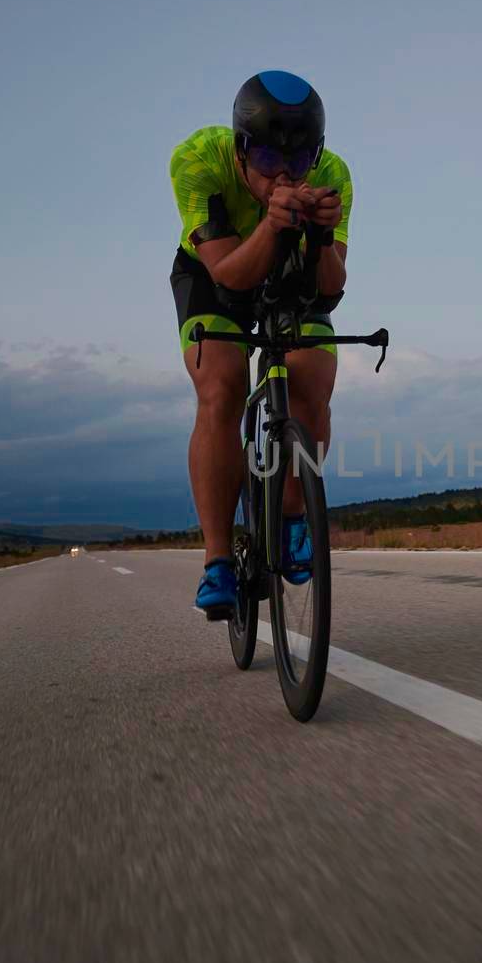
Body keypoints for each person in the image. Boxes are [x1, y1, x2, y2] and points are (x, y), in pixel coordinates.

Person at [169, 70, 352, 613]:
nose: (283, 177)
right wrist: (271, 227)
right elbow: (227, 273)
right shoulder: (198, 158)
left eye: (296, 164)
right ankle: (219, 559)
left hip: (292, 265)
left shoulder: (332, 173)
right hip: (214, 270)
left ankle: (295, 514)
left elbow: (332, 286)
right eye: (269, 162)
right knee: (221, 388)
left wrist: (320, 237)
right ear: (241, 148)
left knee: (312, 379)